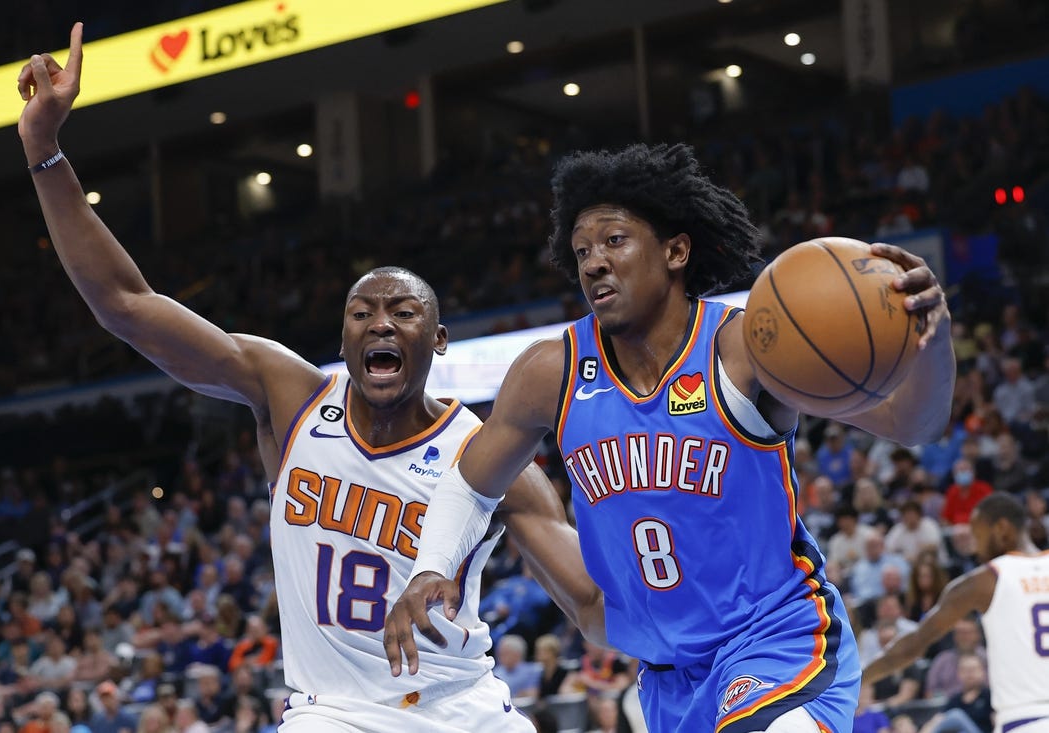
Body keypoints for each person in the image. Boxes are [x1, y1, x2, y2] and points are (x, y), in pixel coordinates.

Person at [16, 24, 602, 733]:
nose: (380, 323)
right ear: (344, 337)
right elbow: (127, 306)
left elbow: (591, 605)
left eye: (403, 311)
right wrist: (45, 153)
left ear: (438, 340)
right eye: (362, 312)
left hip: (464, 710)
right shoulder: (290, 397)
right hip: (336, 713)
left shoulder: (489, 453)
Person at [385, 142, 955, 732]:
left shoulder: (743, 351)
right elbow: (471, 485)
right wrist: (432, 566)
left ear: (676, 251)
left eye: (614, 241)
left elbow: (914, 424)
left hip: (777, 640)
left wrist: (933, 343)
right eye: (582, 251)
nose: (593, 263)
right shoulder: (549, 372)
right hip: (667, 675)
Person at [862, 494, 1049, 733]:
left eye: (978, 534)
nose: (975, 546)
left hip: (1025, 720)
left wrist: (859, 678)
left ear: (1002, 528)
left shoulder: (986, 579)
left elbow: (915, 643)